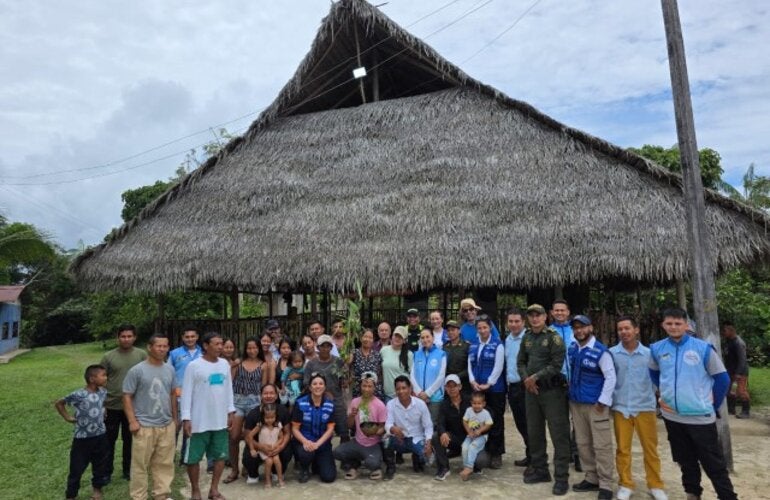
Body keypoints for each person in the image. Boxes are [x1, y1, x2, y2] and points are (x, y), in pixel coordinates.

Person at [649, 308, 736, 500]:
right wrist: (665, 395)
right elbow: (654, 372)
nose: (673, 327)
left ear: (686, 325)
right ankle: (692, 494)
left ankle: (728, 496)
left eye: (678, 323)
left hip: (700, 418)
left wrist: (710, 405)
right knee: (685, 461)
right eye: (669, 323)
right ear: (663, 325)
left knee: (713, 463)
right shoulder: (657, 349)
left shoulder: (703, 348)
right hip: (672, 416)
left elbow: (722, 379)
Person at [610, 316, 667, 500]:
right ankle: (625, 483)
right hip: (621, 407)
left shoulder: (650, 354)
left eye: (627, 328)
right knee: (622, 449)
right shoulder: (612, 354)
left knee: (650, 449)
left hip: (645, 407)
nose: (624, 332)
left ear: (636, 330)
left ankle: (655, 485)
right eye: (620, 329)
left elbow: (660, 380)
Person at [517, 303, 570, 496]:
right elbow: (520, 361)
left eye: (538, 315)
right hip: (532, 392)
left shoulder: (553, 338)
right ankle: (540, 470)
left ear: (545, 317)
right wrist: (526, 379)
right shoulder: (527, 337)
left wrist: (535, 378)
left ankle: (562, 477)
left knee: (559, 434)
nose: (534, 318)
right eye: (531, 315)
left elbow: (557, 364)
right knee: (535, 431)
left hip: (552, 392)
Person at [180, 332, 235, 500]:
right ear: (205, 346)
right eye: (216, 344)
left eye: (221, 344)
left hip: (219, 420)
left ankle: (214, 489)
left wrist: (230, 411)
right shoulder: (194, 366)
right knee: (193, 458)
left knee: (219, 456)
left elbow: (228, 389)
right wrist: (186, 418)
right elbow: (186, 393)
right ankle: (195, 491)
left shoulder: (225, 364)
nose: (220, 347)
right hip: (198, 421)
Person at [122, 334, 177, 500]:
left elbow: (173, 394)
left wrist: (175, 418)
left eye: (165, 346)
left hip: (166, 424)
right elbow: (126, 396)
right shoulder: (137, 370)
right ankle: (139, 496)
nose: (162, 349)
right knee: (140, 465)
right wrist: (132, 421)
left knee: (165, 463)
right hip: (144, 425)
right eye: (159, 346)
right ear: (149, 347)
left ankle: (162, 494)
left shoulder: (170, 369)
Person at [567, 315, 616, 500]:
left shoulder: (601, 352)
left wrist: (602, 401)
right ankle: (591, 477)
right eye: (576, 328)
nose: (579, 331)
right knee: (582, 443)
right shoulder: (573, 349)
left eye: (582, 327)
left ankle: (605, 484)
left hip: (596, 405)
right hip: (576, 403)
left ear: (591, 328)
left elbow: (610, 377)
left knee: (601, 445)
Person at [100, 324, 147, 483]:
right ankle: (106, 473)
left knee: (130, 441)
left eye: (129, 336)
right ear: (118, 337)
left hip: (133, 408)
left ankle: (128, 470)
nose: (126, 339)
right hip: (111, 405)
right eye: (123, 336)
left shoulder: (142, 355)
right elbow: (100, 380)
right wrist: (102, 403)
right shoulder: (108, 357)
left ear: (134, 337)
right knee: (108, 441)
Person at [56, 364, 109, 500]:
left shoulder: (103, 391)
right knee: (76, 468)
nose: (105, 378)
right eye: (102, 375)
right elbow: (59, 403)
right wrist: (67, 417)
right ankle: (71, 495)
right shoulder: (79, 394)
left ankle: (97, 490)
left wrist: (103, 411)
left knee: (100, 465)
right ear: (92, 379)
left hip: (100, 435)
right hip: (82, 438)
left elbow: (102, 403)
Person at [224, 337, 269, 484]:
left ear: (259, 349)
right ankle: (234, 469)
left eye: (255, 348)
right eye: (249, 348)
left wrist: (262, 407)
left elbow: (264, 388)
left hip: (254, 402)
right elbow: (229, 384)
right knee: (234, 436)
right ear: (245, 349)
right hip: (237, 401)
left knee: (250, 435)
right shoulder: (238, 363)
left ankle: (246, 464)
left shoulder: (264, 365)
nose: (252, 351)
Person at [431, 375, 490, 481]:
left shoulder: (471, 400)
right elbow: (440, 423)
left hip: (473, 438)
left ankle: (474, 467)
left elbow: (488, 413)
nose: (452, 389)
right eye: (449, 386)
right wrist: (444, 433)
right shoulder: (444, 405)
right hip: (454, 439)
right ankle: (444, 468)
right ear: (445, 388)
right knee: (436, 436)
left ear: (460, 386)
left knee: (482, 461)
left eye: (454, 386)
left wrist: (480, 429)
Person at [333, 372, 387, 480]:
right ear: (360, 386)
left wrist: (374, 431)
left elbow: (383, 428)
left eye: (370, 386)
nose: (366, 389)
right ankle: (355, 464)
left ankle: (375, 463)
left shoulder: (380, 405)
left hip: (373, 444)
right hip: (358, 441)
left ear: (375, 387)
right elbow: (349, 425)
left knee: (371, 464)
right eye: (364, 386)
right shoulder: (355, 402)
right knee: (337, 452)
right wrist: (352, 416)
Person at [468, 316, 506, 469]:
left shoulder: (498, 344)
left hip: (495, 389)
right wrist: (472, 380)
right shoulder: (473, 345)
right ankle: (483, 450)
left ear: (490, 328)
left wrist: (489, 383)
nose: (482, 330)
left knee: (496, 421)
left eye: (485, 327)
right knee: (480, 420)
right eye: (480, 328)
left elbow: (499, 366)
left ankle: (496, 453)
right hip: (477, 388)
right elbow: (470, 364)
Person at [383, 375, 433, 479]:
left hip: (416, 438)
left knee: (430, 460)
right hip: (399, 439)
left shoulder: (420, 404)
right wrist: (393, 428)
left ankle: (417, 458)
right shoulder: (391, 404)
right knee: (385, 440)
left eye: (404, 388)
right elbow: (387, 424)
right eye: (398, 389)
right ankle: (390, 467)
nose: (401, 391)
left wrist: (428, 442)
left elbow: (428, 426)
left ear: (410, 389)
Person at [551, 299, 580, 472]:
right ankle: (564, 453)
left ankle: (578, 455)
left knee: (578, 421)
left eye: (563, 310)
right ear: (552, 313)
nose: (560, 313)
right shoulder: (548, 332)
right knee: (560, 422)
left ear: (568, 312)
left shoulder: (576, 331)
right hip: (557, 383)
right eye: (557, 310)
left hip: (576, 382)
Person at [243, 384, 292, 485]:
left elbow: (287, 433)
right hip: (258, 444)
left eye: (271, 393)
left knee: (287, 450)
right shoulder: (253, 413)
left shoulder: (283, 411)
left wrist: (280, 446)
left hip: (276, 444)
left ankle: (276, 472)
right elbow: (248, 437)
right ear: (261, 395)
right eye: (265, 393)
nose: (268, 396)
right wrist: (260, 447)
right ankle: (253, 474)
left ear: (276, 395)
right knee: (249, 454)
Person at [292, 373, 337, 483]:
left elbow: (330, 428)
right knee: (306, 453)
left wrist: (318, 444)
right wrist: (306, 442)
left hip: (322, 444)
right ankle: (305, 469)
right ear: (310, 387)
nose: (318, 386)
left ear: (325, 387)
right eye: (315, 384)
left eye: (321, 384)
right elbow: (295, 429)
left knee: (328, 477)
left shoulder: (330, 404)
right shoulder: (300, 403)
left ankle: (317, 463)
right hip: (305, 442)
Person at [304, 334, 348, 441]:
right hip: (318, 400)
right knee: (319, 430)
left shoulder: (339, 361)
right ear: (317, 348)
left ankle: (344, 452)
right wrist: (322, 393)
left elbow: (345, 381)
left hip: (336, 399)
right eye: (322, 346)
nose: (325, 348)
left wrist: (346, 378)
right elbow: (306, 383)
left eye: (328, 346)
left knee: (343, 429)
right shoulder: (311, 364)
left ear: (331, 347)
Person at [169, 327, 202, 463]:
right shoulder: (174, 353)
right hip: (178, 397)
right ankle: (169, 458)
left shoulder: (204, 352)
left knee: (190, 429)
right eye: (187, 337)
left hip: (197, 397)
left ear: (197, 337)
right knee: (175, 428)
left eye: (192, 336)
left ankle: (185, 457)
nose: (190, 339)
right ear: (183, 338)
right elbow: (169, 372)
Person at [504, 308, 530, 466]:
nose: (513, 324)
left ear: (523, 322)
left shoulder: (528, 339)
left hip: (525, 386)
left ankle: (536, 459)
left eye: (517, 321)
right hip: (512, 387)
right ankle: (530, 454)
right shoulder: (508, 339)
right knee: (520, 423)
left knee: (530, 423)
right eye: (511, 321)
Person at [411, 328, 447, 425]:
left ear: (433, 337)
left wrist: (428, 393)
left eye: (428, 337)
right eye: (422, 337)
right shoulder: (416, 354)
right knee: (418, 424)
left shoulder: (441, 354)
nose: (425, 339)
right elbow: (412, 375)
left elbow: (441, 376)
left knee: (432, 425)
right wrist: (419, 392)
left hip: (435, 398)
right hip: (418, 397)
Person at [246, 403, 284, 488]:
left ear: (276, 416)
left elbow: (281, 437)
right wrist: (252, 449)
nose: (270, 420)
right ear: (263, 416)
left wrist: (276, 445)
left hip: (274, 448)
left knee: (277, 460)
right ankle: (267, 481)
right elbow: (250, 436)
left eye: (272, 417)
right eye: (267, 418)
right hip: (263, 450)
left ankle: (280, 479)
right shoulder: (260, 426)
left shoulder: (278, 425)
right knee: (269, 461)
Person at [460, 391, 494, 481]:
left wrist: (480, 430)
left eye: (479, 403)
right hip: (470, 435)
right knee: (464, 447)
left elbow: (489, 424)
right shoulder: (468, 410)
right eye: (474, 403)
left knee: (472, 447)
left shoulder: (486, 413)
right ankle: (466, 467)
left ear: (484, 404)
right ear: (471, 403)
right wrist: (469, 431)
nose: (476, 405)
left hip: (481, 437)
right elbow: (464, 421)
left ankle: (470, 467)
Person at [721, 322, 750, 418]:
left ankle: (746, 412)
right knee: (730, 390)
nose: (723, 332)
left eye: (724, 330)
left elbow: (742, 359)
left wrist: (738, 373)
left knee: (741, 391)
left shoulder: (738, 342)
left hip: (739, 372)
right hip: (730, 371)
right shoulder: (729, 341)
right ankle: (731, 409)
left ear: (730, 330)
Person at [380, 326, 413, 402]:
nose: (397, 338)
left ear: (404, 341)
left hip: (403, 394)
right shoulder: (384, 350)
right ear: (392, 336)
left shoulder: (409, 354)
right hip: (387, 395)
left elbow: (411, 375)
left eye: (400, 337)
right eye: (396, 335)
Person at [351, 328, 383, 399]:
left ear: (373, 340)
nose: (367, 339)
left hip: (375, 393)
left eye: (370, 337)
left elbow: (380, 375)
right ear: (360, 338)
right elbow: (346, 367)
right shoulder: (354, 353)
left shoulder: (377, 355)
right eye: (365, 336)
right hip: (358, 392)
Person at [443, 320, 470, 393]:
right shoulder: (444, 347)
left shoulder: (466, 346)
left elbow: (470, 366)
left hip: (463, 383)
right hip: (448, 383)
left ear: (459, 331)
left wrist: (457, 376)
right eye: (448, 330)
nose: (450, 332)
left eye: (453, 330)